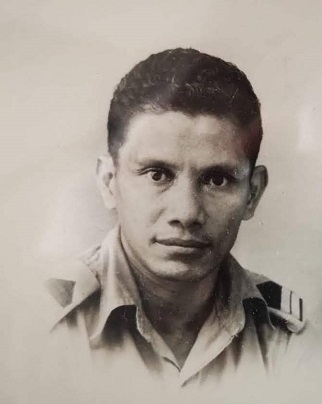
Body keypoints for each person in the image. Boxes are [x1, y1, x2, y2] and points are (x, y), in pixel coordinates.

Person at [42, 48, 307, 396]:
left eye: (217, 180)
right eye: (157, 174)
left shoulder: (291, 339)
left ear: (253, 193)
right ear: (109, 182)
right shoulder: (39, 323)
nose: (187, 213)